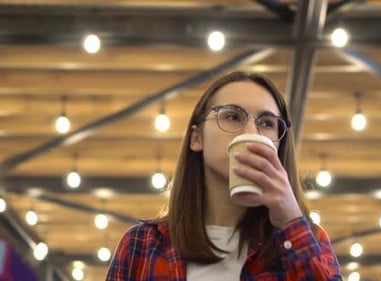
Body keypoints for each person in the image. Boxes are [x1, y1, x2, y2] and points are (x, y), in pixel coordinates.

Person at [105, 71, 343, 281]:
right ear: (196, 138)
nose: (251, 132)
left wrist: (290, 219)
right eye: (232, 116)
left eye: (267, 123)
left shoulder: (308, 241)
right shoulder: (142, 245)